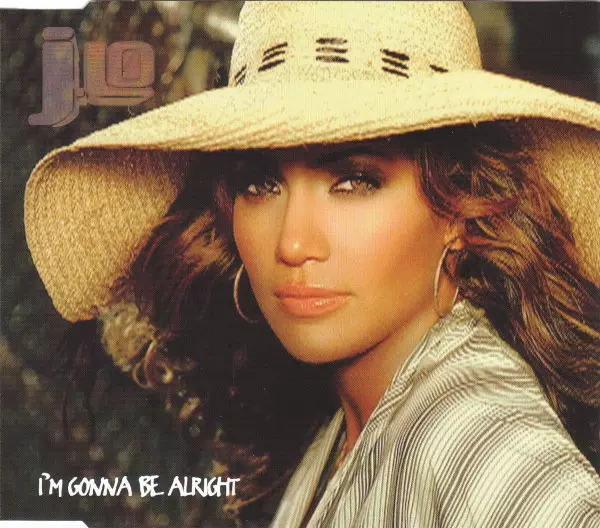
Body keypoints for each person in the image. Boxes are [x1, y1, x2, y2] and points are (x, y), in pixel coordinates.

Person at [24, 2, 600, 527]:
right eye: (260, 183)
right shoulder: (360, 416)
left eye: (354, 181)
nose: (293, 244)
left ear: (459, 206)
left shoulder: (481, 439)